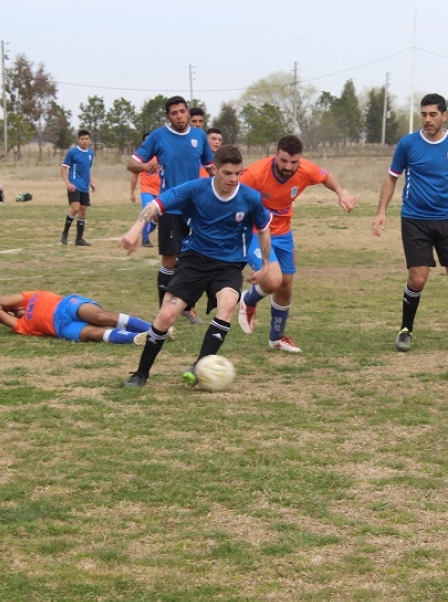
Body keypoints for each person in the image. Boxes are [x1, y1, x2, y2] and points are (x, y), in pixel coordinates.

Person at [119, 145, 275, 388]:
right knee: (167, 315)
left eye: (237, 173)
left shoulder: (250, 198)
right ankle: (141, 373)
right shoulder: (195, 189)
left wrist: (265, 265)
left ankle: (200, 366)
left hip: (229, 266)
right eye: (227, 173)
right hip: (194, 260)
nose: (233, 179)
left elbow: (264, 230)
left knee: (227, 304)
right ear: (214, 169)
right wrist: (135, 229)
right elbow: (156, 205)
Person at [372, 92, 448, 353]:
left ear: (444, 116)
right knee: (418, 278)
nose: (427, 119)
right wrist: (382, 211)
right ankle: (405, 331)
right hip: (415, 220)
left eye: (433, 114)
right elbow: (391, 178)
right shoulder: (407, 144)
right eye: (423, 114)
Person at [237, 135, 357, 353]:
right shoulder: (254, 174)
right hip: (255, 232)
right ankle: (248, 299)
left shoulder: (305, 169)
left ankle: (277, 338)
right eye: (283, 161)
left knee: (286, 284)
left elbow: (325, 175)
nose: (288, 167)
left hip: (283, 233)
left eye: (294, 162)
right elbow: (231, 196)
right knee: (273, 280)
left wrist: (341, 192)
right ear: (276, 155)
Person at [127, 95, 214, 324]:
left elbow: (210, 167)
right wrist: (146, 165)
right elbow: (131, 163)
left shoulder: (198, 136)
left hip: (195, 209)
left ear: (188, 112)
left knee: (193, 258)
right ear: (168, 116)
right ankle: (163, 309)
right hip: (170, 206)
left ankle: (188, 307)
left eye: (182, 111)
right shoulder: (158, 136)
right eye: (174, 113)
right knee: (170, 260)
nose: (179, 116)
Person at [0, 290, 158, 344]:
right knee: (95, 334)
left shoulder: (30, 296)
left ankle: (155, 329)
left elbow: (3, 302)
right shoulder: (22, 325)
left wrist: (13, 307)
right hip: (61, 328)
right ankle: (139, 337)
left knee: (100, 317)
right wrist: (14, 313)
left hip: (66, 305)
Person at [60, 130, 95, 246]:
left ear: (89, 140)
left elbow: (88, 169)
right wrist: (67, 183)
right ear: (78, 140)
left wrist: (91, 182)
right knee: (75, 208)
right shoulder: (72, 153)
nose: (84, 141)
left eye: (86, 139)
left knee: (83, 210)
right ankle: (65, 233)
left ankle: (79, 239)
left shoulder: (90, 153)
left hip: (85, 186)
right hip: (74, 185)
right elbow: (63, 168)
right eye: (82, 139)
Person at [129, 132, 160, 248]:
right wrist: (132, 192)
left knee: (157, 218)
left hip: (160, 191)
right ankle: (146, 240)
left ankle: (143, 232)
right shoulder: (142, 157)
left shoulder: (160, 154)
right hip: (146, 189)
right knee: (147, 211)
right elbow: (134, 176)